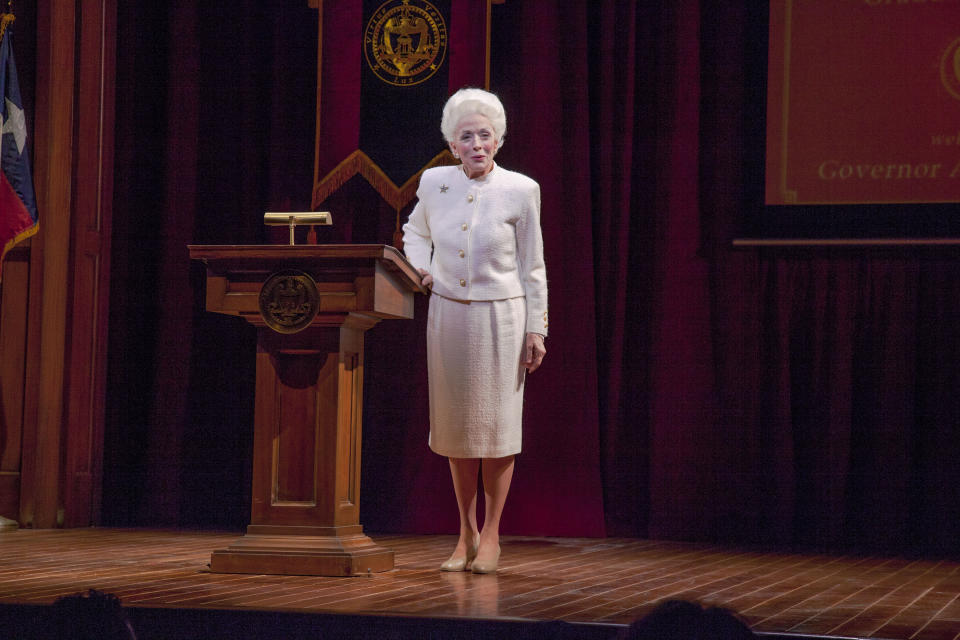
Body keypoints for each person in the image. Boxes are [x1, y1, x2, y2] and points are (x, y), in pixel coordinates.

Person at [402, 87, 548, 574]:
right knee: (456, 429)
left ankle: (492, 536)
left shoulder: (521, 190)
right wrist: (422, 269)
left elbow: (534, 266)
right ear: (453, 144)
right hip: (449, 317)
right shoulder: (433, 183)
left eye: (485, 135)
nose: (477, 144)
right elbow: (414, 232)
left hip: (502, 320)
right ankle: (463, 533)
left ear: (499, 140)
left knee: (497, 430)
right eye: (467, 136)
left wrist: (537, 329)